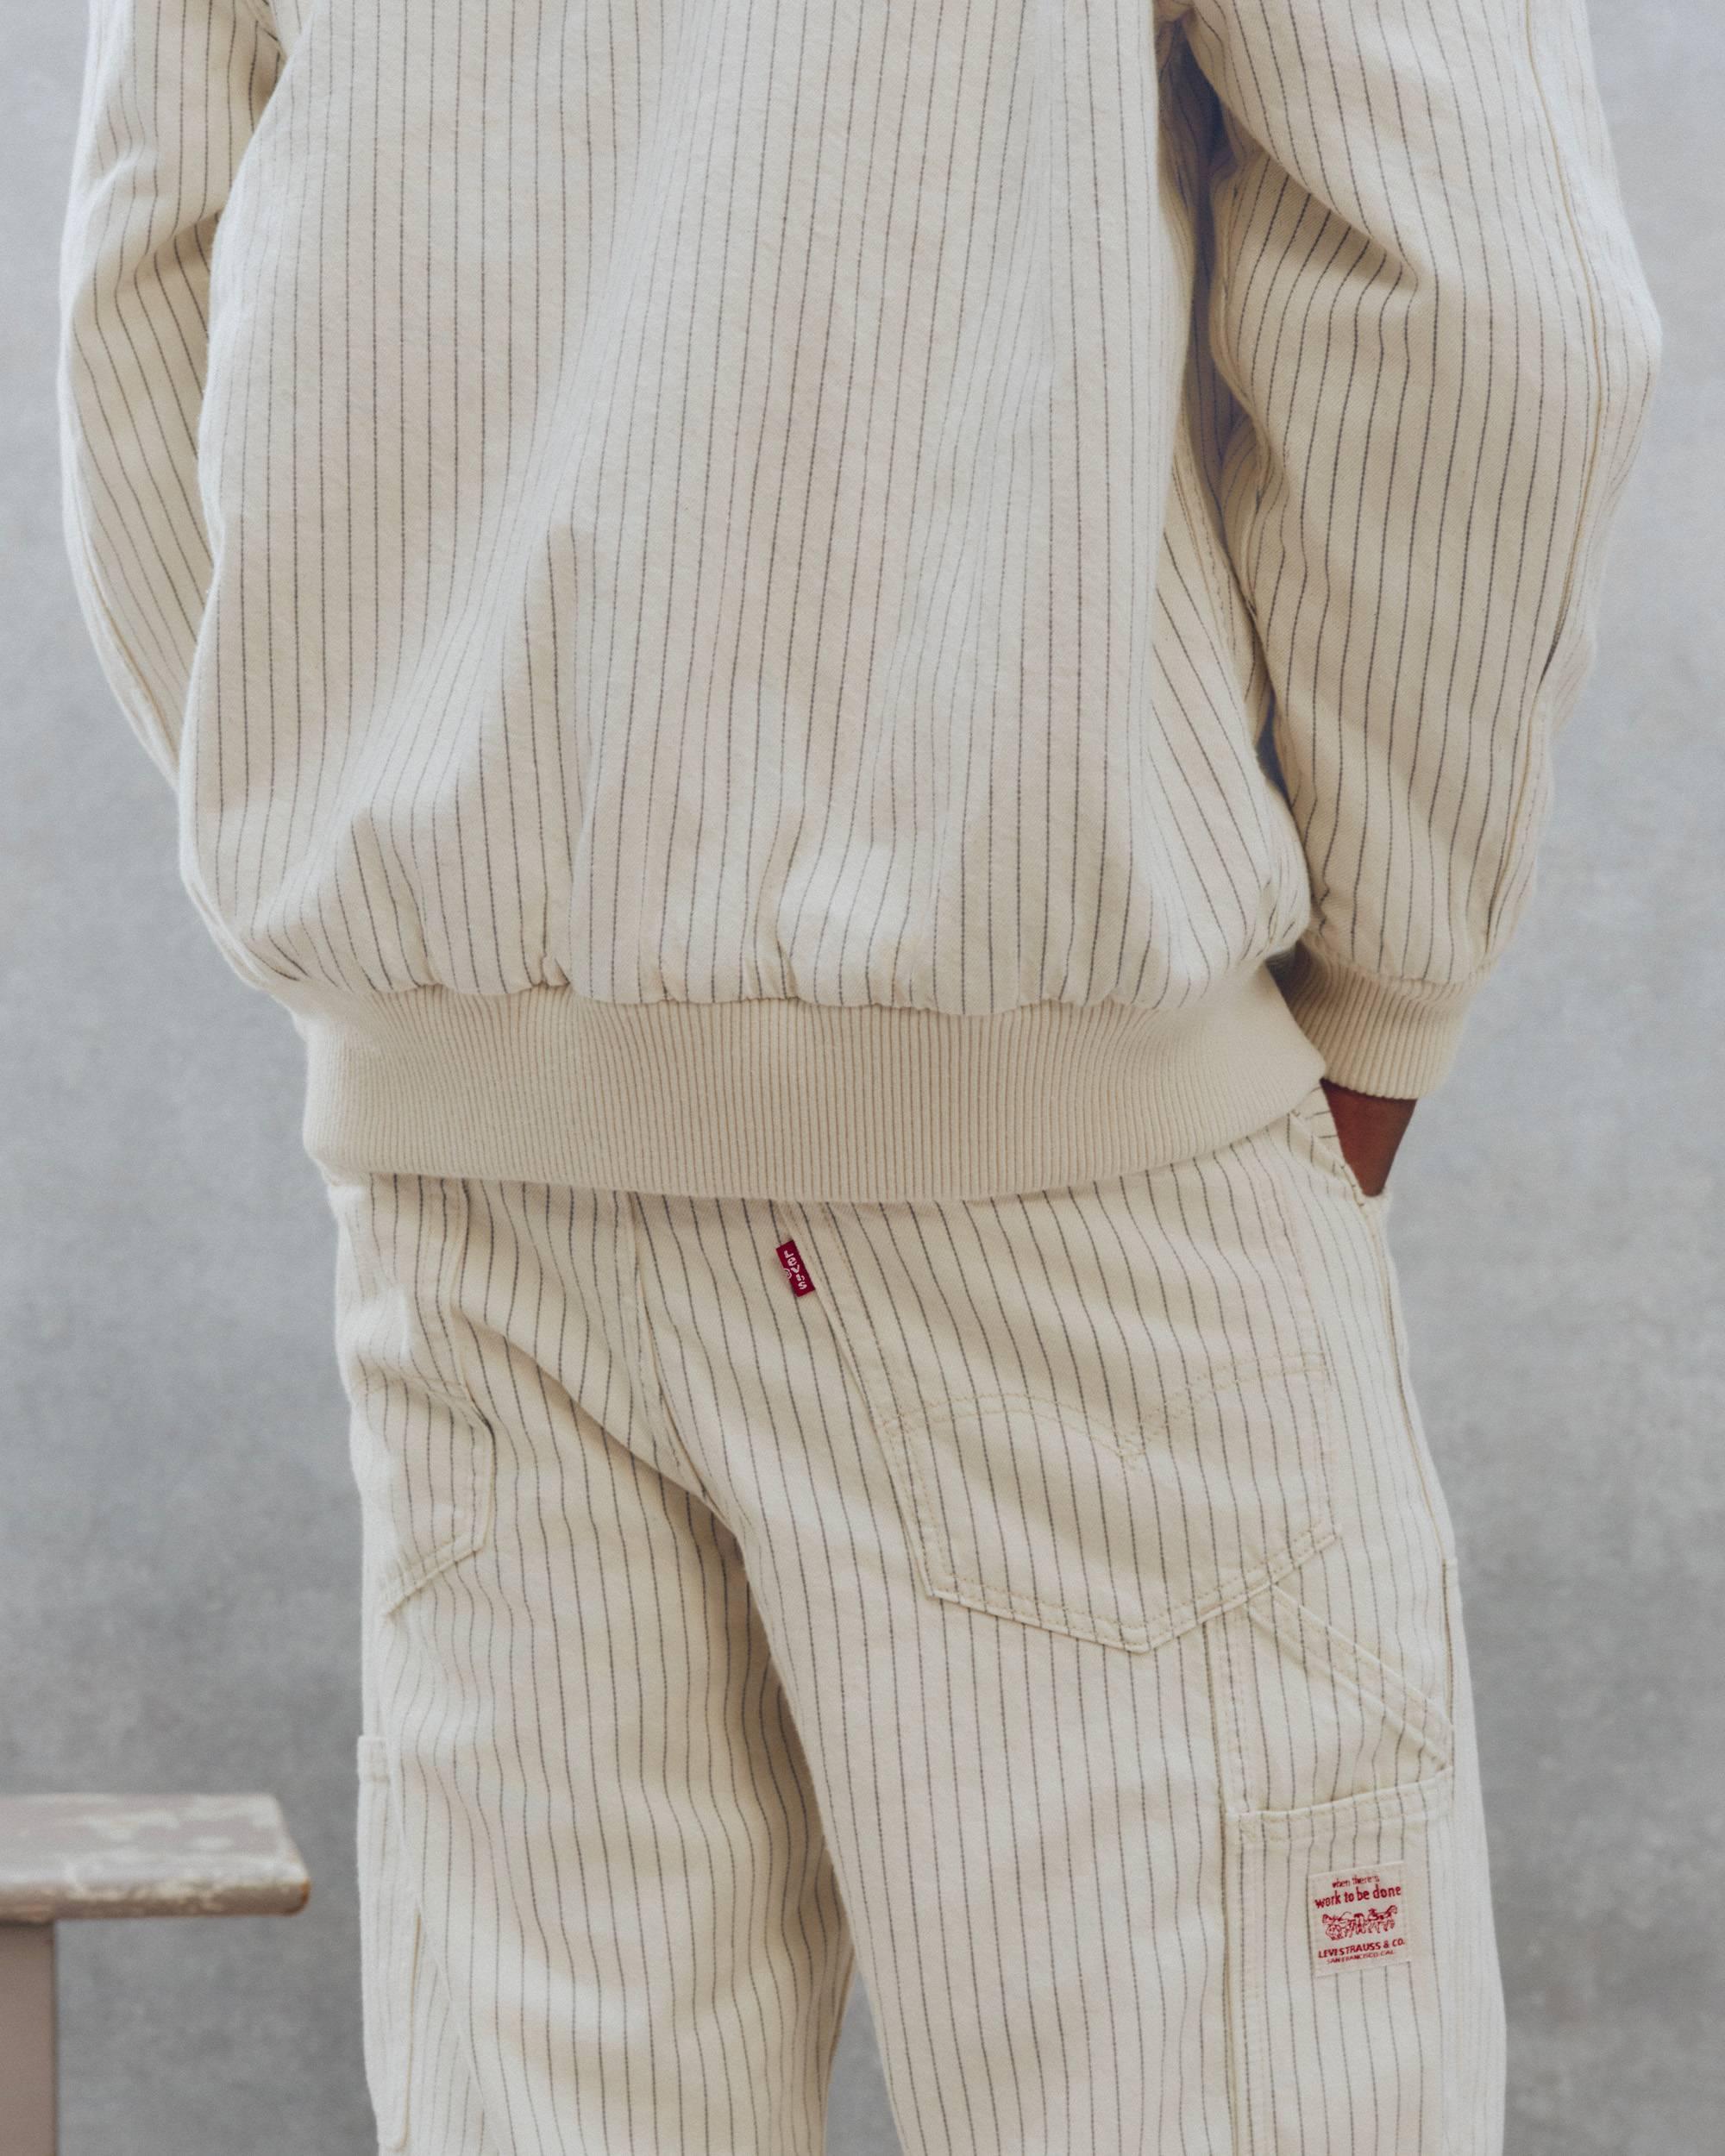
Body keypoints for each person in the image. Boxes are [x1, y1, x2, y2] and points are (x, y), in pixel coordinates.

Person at [57, 0, 1659, 2148]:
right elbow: (1485, 293)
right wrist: (1385, 968)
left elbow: (153, 270)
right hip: (1058, 1190)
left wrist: (442, 914)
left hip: (480, 1200)